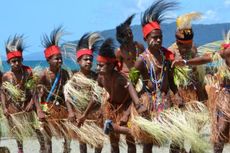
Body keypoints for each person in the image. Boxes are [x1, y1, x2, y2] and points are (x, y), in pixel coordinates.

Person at [134, 0, 182, 153]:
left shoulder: (167, 58)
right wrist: (138, 103)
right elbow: (129, 83)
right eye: (154, 37)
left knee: (177, 137)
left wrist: (177, 95)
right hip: (149, 104)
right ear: (146, 39)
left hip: (166, 102)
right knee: (148, 143)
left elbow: (172, 81)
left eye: (160, 37)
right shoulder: (141, 61)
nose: (158, 40)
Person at [172, 30, 230, 153]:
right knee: (220, 132)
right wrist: (186, 62)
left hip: (217, 93)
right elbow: (208, 58)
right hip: (226, 96)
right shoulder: (227, 51)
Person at [96, 38, 146, 153]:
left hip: (126, 106)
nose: (98, 68)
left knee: (130, 141)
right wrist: (98, 109)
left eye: (101, 65)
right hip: (112, 108)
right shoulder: (100, 77)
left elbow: (130, 87)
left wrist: (137, 105)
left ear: (111, 65)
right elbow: (97, 92)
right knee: (114, 142)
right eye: (97, 65)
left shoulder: (120, 77)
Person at [0, 35, 43, 153]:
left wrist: (31, 103)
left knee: (35, 127)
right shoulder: (6, 76)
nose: (16, 63)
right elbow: (3, 92)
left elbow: (34, 90)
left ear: (22, 60)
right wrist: (4, 108)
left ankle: (43, 146)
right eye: (13, 61)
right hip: (14, 107)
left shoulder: (27, 72)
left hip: (28, 105)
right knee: (17, 129)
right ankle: (20, 150)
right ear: (9, 62)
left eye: (19, 61)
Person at [64, 32, 103, 153]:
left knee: (98, 143)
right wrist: (71, 111)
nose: (89, 62)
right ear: (78, 61)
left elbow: (96, 97)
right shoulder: (75, 79)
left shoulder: (96, 77)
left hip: (94, 115)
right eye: (85, 59)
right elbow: (67, 95)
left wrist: (85, 114)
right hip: (81, 116)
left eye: (91, 59)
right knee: (82, 144)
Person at [37, 27, 71, 153]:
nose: (60, 61)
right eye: (56, 59)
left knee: (67, 135)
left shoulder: (65, 74)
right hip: (47, 107)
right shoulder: (43, 75)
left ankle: (66, 150)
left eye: (60, 58)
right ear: (48, 60)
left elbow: (68, 94)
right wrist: (40, 111)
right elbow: (37, 94)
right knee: (47, 138)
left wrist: (71, 110)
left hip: (62, 107)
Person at [169, 12, 207, 103]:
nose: (187, 49)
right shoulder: (171, 52)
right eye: (184, 47)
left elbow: (196, 72)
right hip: (178, 93)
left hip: (194, 90)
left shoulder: (193, 49)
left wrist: (200, 91)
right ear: (178, 43)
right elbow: (169, 77)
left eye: (189, 46)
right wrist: (177, 94)